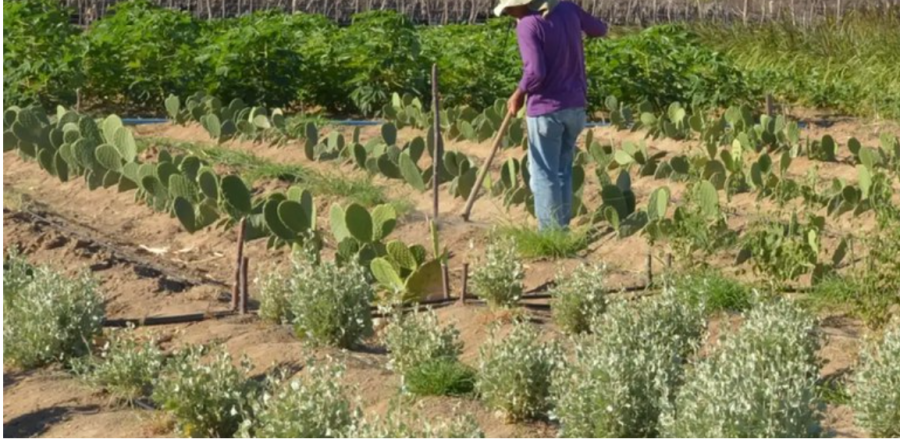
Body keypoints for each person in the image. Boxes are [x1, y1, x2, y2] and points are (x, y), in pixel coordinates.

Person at [494, 0, 607, 230]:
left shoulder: (527, 24)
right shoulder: (567, 7)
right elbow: (600, 29)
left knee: (544, 174)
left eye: (509, 8)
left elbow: (536, 72)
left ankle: (549, 235)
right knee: (563, 170)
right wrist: (568, 34)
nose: (509, 13)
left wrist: (518, 93)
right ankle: (561, 231)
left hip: (546, 109)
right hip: (575, 106)